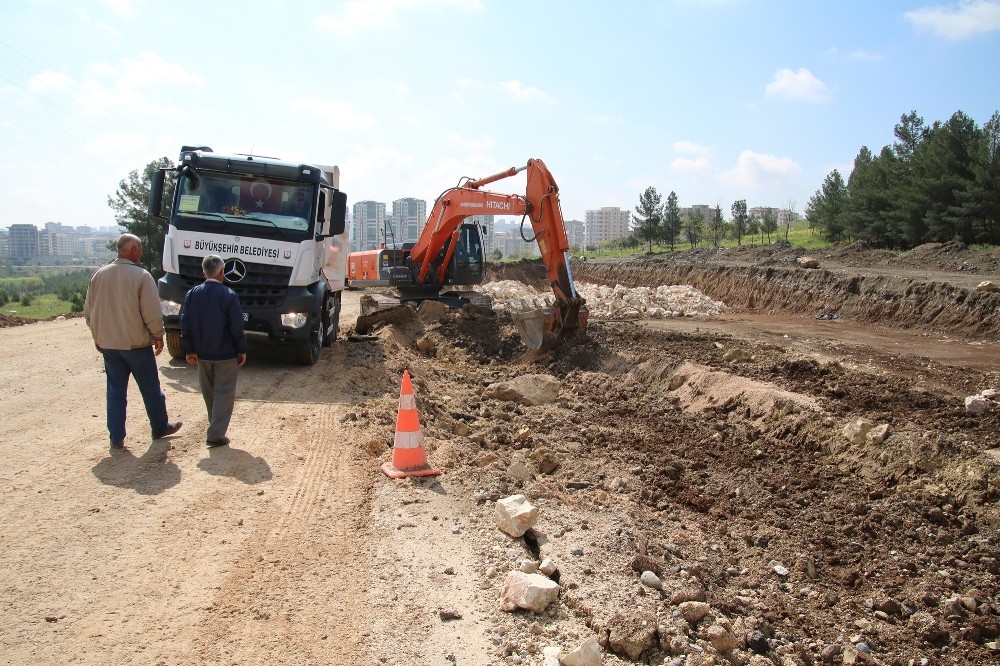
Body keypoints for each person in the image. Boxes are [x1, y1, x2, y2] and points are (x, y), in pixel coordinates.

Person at [84, 234, 183, 449]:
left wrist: (97, 337)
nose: (141, 253)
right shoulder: (141, 276)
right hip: (137, 345)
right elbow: (151, 311)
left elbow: (89, 313)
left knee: (115, 392)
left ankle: (116, 438)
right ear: (134, 250)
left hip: (109, 346)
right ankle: (160, 427)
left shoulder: (98, 275)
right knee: (150, 389)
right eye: (140, 249)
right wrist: (158, 335)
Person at [181, 255, 248, 448]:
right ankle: (216, 434)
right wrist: (241, 349)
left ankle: (215, 427)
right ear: (222, 272)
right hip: (226, 355)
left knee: (209, 393)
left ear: (204, 272)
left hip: (202, 355)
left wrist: (189, 350)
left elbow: (185, 324)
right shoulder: (229, 295)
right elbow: (237, 327)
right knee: (224, 394)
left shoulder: (192, 294)